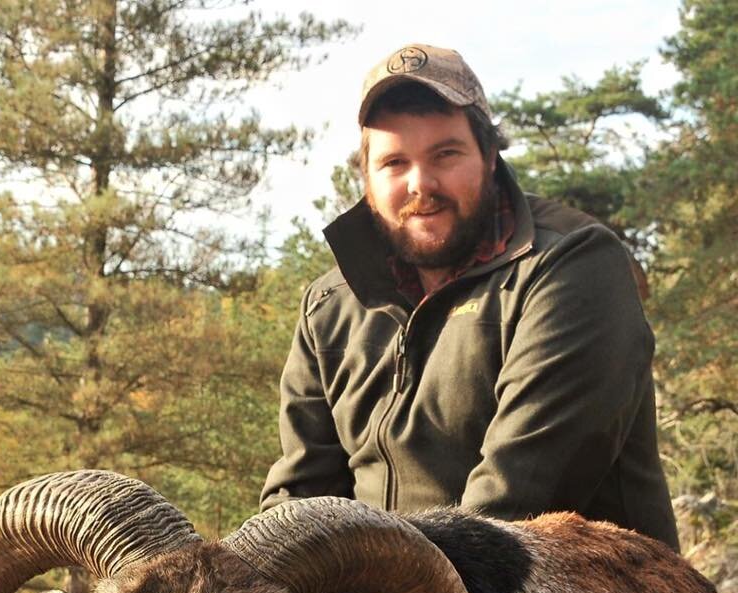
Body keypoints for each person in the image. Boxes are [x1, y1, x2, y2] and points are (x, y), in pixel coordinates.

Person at [260, 44, 679, 550]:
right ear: (367, 180)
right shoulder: (330, 305)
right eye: (395, 162)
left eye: (446, 154)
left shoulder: (573, 265)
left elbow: (515, 496)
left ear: (489, 155)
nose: (422, 184)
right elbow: (299, 501)